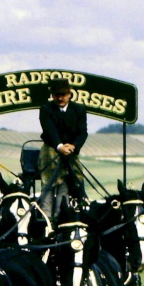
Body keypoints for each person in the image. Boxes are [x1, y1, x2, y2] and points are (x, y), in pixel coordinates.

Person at [37, 77, 88, 218]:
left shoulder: (79, 109)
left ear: (69, 94)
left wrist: (73, 146)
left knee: (71, 180)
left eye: (63, 95)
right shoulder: (46, 109)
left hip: (71, 151)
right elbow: (50, 130)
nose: (60, 98)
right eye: (57, 95)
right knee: (48, 182)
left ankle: (61, 214)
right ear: (52, 95)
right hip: (51, 148)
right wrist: (60, 146)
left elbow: (82, 132)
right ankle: (46, 216)